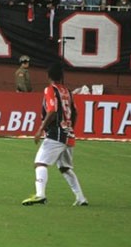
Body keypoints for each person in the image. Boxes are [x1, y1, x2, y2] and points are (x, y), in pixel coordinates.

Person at [21, 63, 88, 206]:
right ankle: (81, 198)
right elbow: (75, 112)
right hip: (68, 134)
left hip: (56, 133)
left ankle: (40, 195)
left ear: (48, 76)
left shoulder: (50, 90)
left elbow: (52, 111)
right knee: (65, 168)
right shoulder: (68, 92)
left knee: (40, 163)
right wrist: (70, 127)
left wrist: (40, 129)